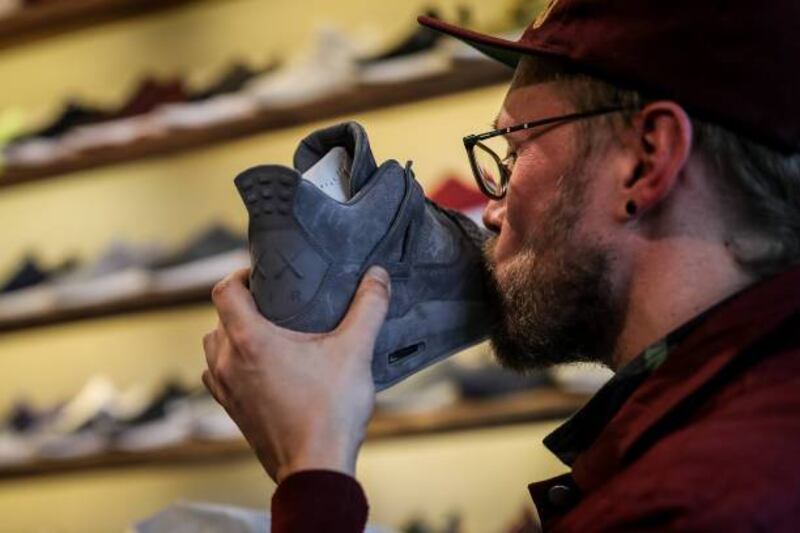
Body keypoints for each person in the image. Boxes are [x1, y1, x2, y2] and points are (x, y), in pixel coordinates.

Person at [202, 1, 800, 530]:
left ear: (645, 161)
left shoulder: (701, 498)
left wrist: (313, 467)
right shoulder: (736, 427)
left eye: (513, 150)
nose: (490, 212)